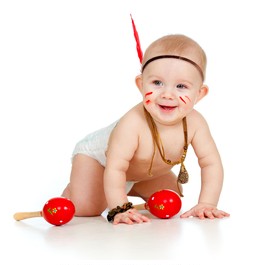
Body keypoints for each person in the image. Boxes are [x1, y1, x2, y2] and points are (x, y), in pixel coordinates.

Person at [62, 33, 230, 225]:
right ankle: (77, 190)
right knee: (87, 208)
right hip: (99, 162)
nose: (167, 94)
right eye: (157, 83)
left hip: (141, 170)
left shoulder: (196, 123)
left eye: (181, 86)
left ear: (200, 94)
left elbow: (211, 164)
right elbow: (116, 167)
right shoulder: (132, 123)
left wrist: (207, 203)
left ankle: (131, 186)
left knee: (172, 195)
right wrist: (120, 208)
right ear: (141, 84)